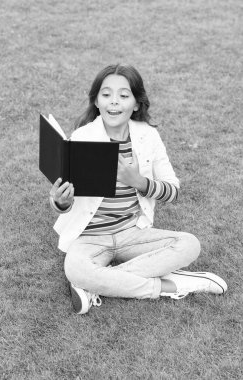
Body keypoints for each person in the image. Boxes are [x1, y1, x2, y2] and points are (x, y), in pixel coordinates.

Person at [49, 64, 227, 314]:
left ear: (135, 103)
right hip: (88, 237)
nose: (114, 102)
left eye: (123, 95)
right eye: (106, 94)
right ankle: (168, 285)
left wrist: (139, 182)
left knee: (189, 244)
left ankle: (95, 284)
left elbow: (173, 190)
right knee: (75, 269)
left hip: (132, 232)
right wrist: (61, 201)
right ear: (97, 101)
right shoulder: (81, 137)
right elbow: (64, 203)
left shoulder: (148, 136)